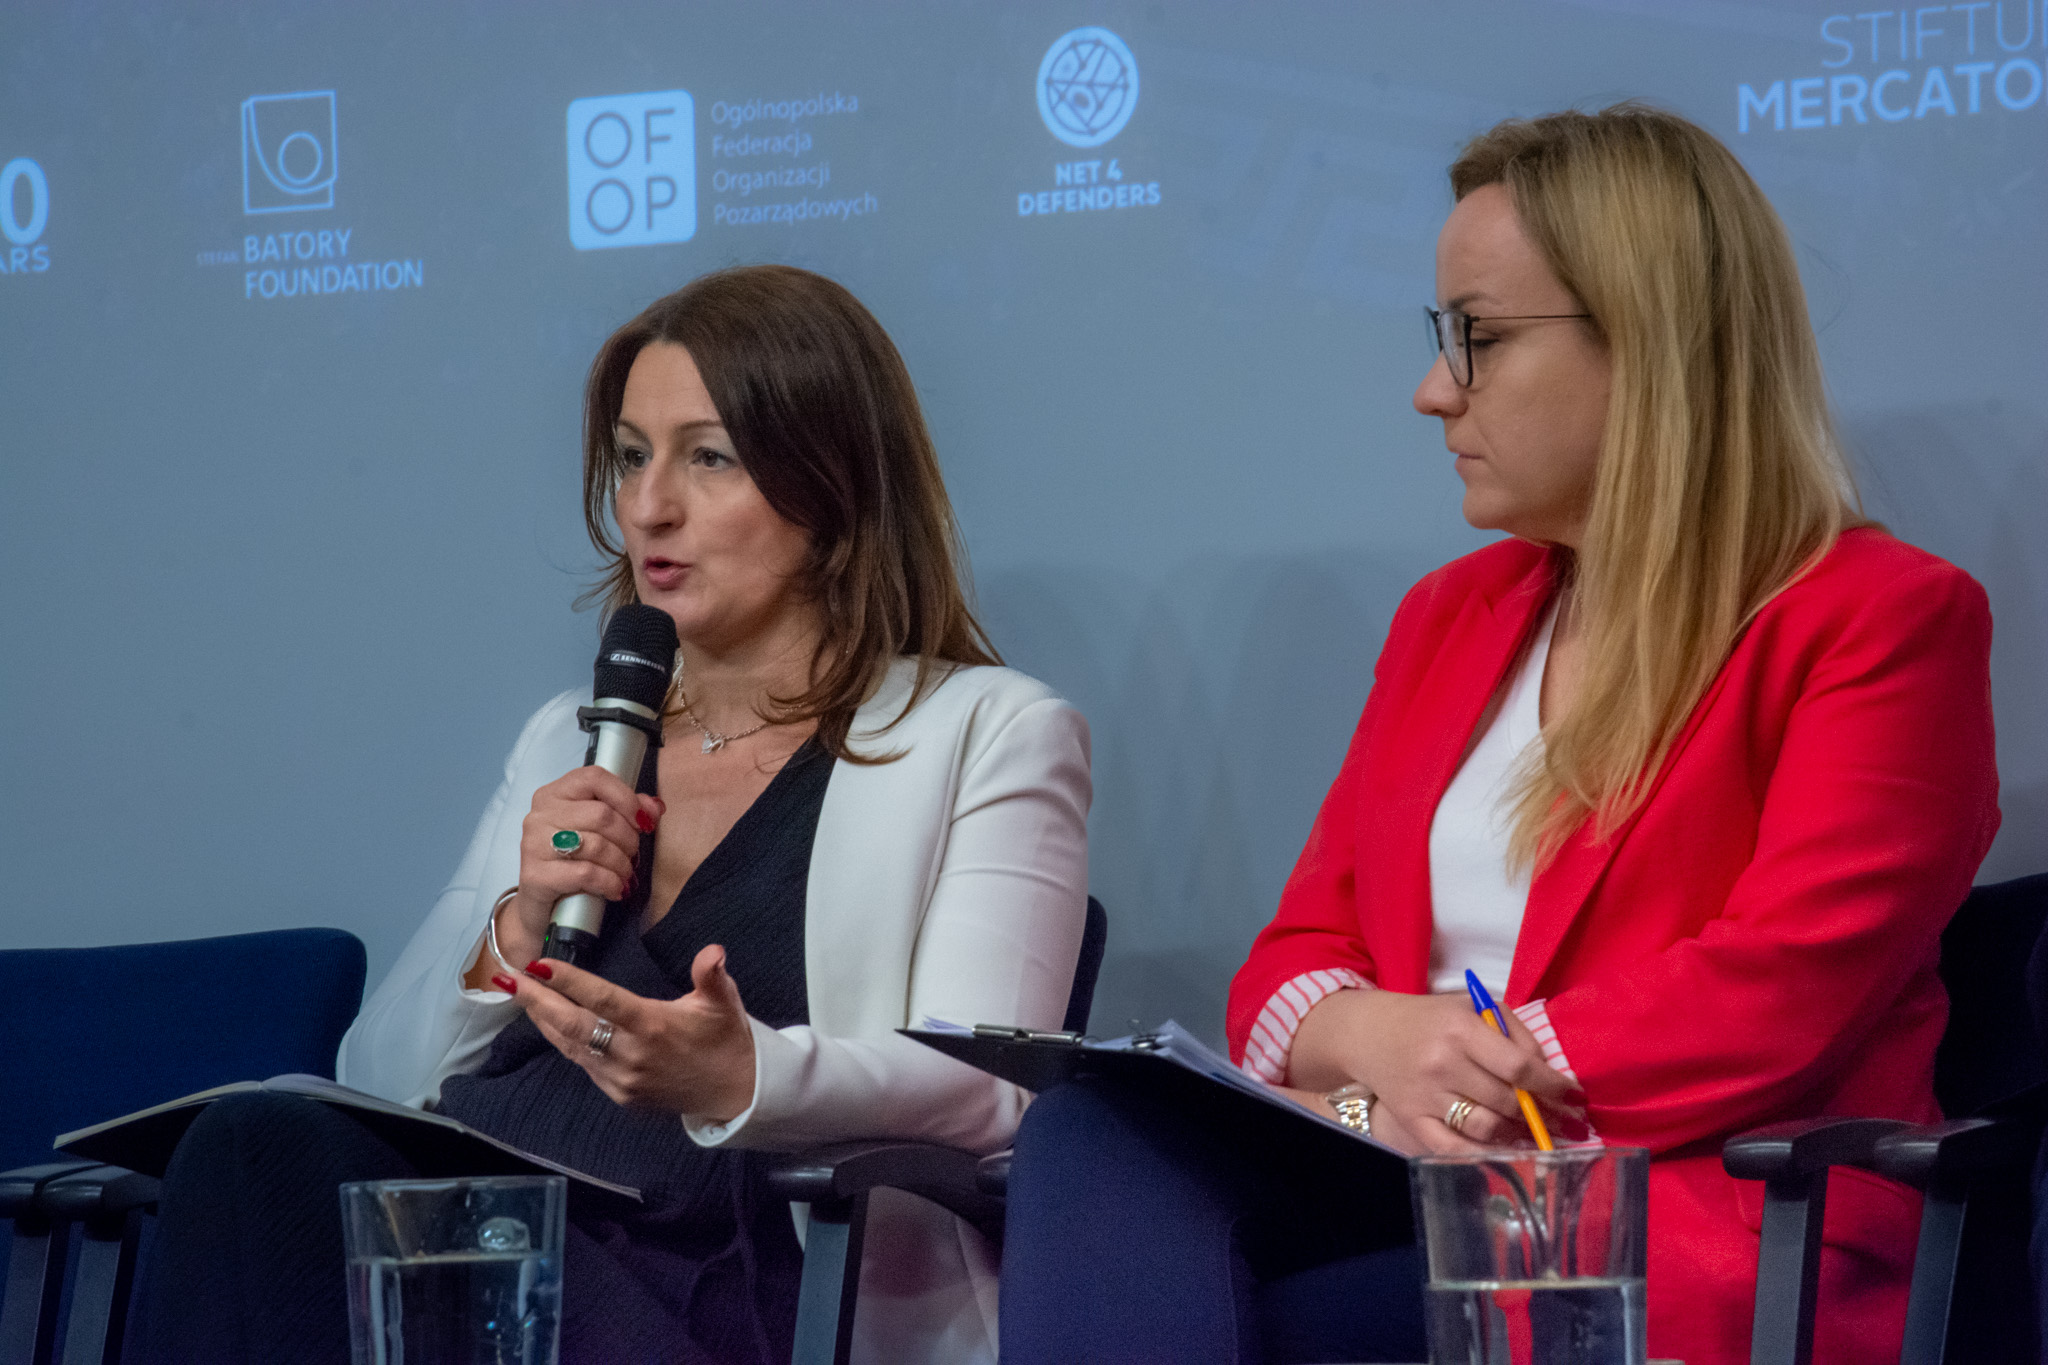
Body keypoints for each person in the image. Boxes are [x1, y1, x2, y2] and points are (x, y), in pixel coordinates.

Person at [999, 103, 1998, 1365]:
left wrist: (1475, 1072)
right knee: (1095, 1132)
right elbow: (1292, 960)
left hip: (1667, 1203)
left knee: (1268, 1326)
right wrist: (1383, 1048)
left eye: (1476, 339)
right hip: (1376, 1136)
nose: (1432, 392)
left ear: (1647, 343)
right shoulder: (1447, 617)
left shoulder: (1881, 619)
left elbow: (1776, 989)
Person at [131, 265, 1091, 1365]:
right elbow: (381, 1070)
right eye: (632, 457)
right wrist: (516, 926)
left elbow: (986, 1088)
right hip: (485, 1231)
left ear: (832, 484)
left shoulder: (987, 731)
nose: (648, 506)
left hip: (722, 1279)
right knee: (256, 1146)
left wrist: (740, 1075)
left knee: (260, 1154)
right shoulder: (569, 733)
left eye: (708, 457)